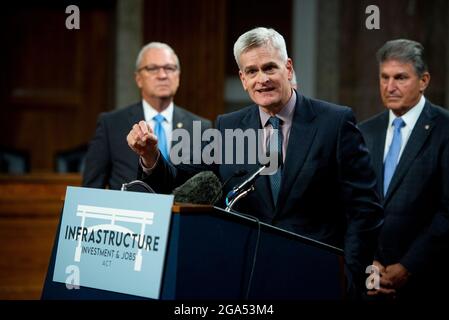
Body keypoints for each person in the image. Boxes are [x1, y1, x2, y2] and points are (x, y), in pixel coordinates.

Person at [127, 27, 383, 296]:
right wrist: (150, 156)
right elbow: (179, 179)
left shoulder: (335, 122)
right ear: (243, 78)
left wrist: (349, 277)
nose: (262, 79)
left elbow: (365, 209)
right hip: (249, 279)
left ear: (288, 68)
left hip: (317, 277)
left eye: (269, 68)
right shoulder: (229, 126)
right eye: (252, 71)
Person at [359, 39, 449, 300]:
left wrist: (409, 265)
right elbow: (353, 205)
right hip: (371, 281)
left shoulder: (444, 129)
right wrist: (368, 260)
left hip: (427, 279)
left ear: (424, 81)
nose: (390, 87)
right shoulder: (364, 132)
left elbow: (447, 210)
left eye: (400, 78)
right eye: (384, 77)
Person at [83, 42, 212, 190]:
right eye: (152, 68)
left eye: (169, 68)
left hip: (179, 211)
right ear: (138, 79)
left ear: (178, 77)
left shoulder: (201, 127)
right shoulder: (111, 124)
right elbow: (91, 188)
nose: (162, 75)